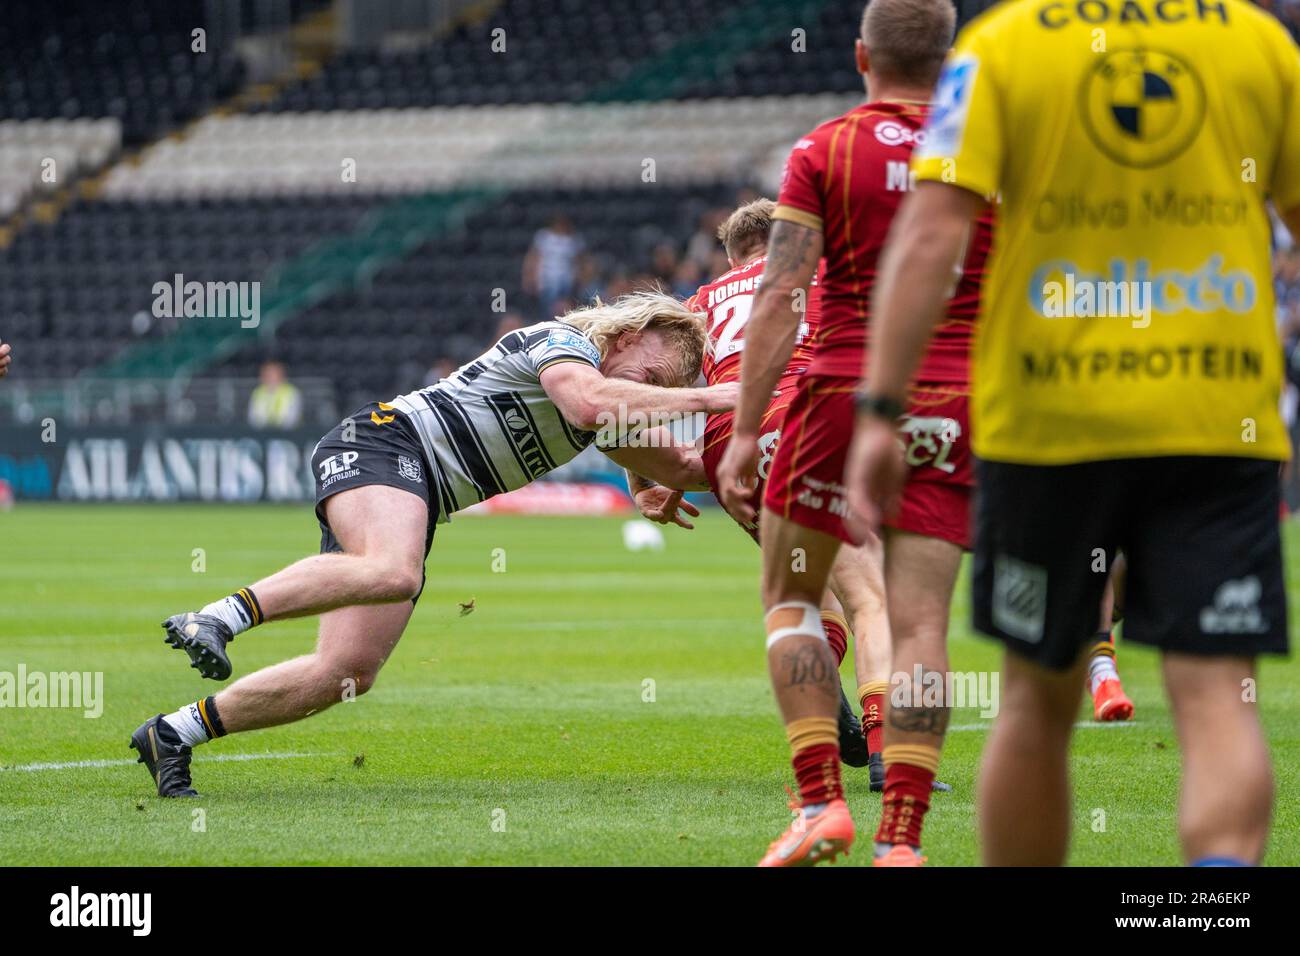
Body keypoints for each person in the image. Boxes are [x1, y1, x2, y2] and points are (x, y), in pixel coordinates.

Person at [845, 0, 1300, 866]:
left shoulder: (1003, 45)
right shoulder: (1257, 43)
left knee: (1034, 701)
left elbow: (933, 231)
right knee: (1215, 697)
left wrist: (879, 408)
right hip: (1215, 412)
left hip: (1049, 421)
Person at [130, 293, 737, 797]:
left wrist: (773, 451)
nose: (647, 387)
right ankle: (216, 617)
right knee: (396, 572)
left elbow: (687, 464)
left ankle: (174, 733)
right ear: (630, 334)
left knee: (345, 671)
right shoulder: (564, 345)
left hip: (414, 492)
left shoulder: (610, 406)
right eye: (653, 375)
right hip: (384, 444)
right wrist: (709, 398)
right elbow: (589, 400)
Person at [713, 0, 977, 867]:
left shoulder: (825, 149)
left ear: (862, 54)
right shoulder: (987, 148)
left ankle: (821, 804)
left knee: (791, 598)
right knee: (921, 621)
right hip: (950, 397)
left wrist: (749, 432)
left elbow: (781, 295)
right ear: (948, 56)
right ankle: (902, 842)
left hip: (834, 396)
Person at [631, 198, 889, 784]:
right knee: (869, 596)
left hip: (731, 448)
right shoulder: (823, 272)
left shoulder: (699, 303)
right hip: (806, 423)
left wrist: (655, 481)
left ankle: (827, 703)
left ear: (730, 255)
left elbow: (653, 391)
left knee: (810, 591)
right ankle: (886, 755)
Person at [248, 360, 303, 429]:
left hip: (288, 434)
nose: (269, 377)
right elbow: (253, 417)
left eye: (272, 374)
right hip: (261, 433)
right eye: (266, 374)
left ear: (281, 375)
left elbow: (293, 418)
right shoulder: (257, 392)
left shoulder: (292, 392)